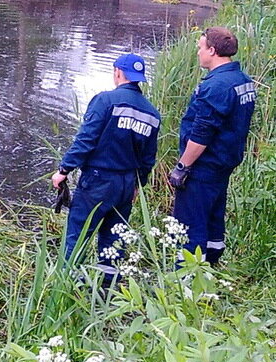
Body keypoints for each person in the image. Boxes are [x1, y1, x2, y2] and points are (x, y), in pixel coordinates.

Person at [51, 54, 161, 284]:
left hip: (98, 181)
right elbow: (148, 158)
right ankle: (106, 292)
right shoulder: (152, 114)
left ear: (118, 73)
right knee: (113, 241)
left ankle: (66, 288)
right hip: (126, 185)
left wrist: (64, 170)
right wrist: (138, 185)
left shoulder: (106, 101)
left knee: (78, 236)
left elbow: (85, 140)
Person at [169, 27, 256, 266]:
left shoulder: (216, 86)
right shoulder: (243, 81)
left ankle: (186, 280)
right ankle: (212, 265)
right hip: (224, 161)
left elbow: (202, 133)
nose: (198, 52)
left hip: (204, 165)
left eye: (200, 47)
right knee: (213, 216)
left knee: (190, 222)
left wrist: (183, 166)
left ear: (212, 50)